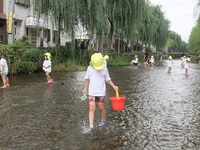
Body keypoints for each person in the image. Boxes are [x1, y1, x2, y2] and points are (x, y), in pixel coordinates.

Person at [82, 53, 118, 134]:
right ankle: (91, 126)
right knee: (92, 108)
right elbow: (87, 79)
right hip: (92, 92)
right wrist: (85, 88)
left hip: (101, 92)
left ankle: (103, 120)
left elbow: (108, 79)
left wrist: (113, 86)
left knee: (101, 108)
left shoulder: (104, 69)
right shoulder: (89, 68)